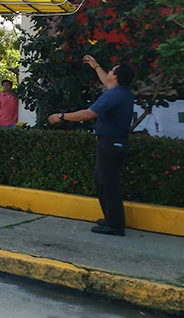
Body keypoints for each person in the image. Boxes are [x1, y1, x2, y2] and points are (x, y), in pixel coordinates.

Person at [48, 55, 136, 237]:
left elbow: (88, 114)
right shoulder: (124, 92)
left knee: (108, 184)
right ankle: (110, 219)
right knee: (103, 182)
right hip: (115, 143)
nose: (109, 72)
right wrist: (95, 66)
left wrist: (62, 116)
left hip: (110, 143)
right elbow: (107, 81)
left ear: (116, 77)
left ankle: (115, 225)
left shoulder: (113, 94)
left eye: (111, 70)